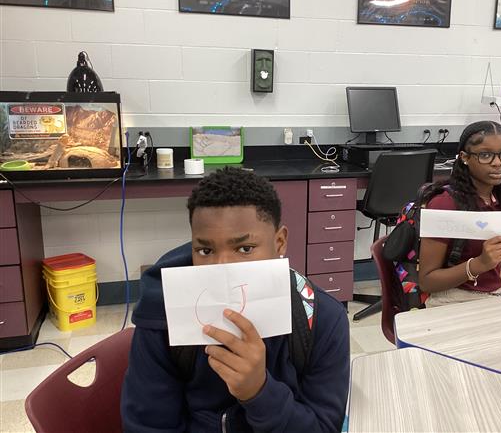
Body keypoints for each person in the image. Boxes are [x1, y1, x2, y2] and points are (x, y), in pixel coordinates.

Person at [121, 167, 349, 432]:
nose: (222, 267)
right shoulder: (164, 314)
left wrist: (259, 392)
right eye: (205, 250)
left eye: (245, 248)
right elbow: (148, 425)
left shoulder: (322, 319)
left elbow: (324, 427)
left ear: (280, 242)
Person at [419, 121, 501, 307]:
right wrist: (479, 264)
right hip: (452, 300)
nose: (497, 163)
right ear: (465, 157)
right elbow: (427, 281)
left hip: (491, 298)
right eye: (485, 155)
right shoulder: (444, 204)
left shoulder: (500, 199)